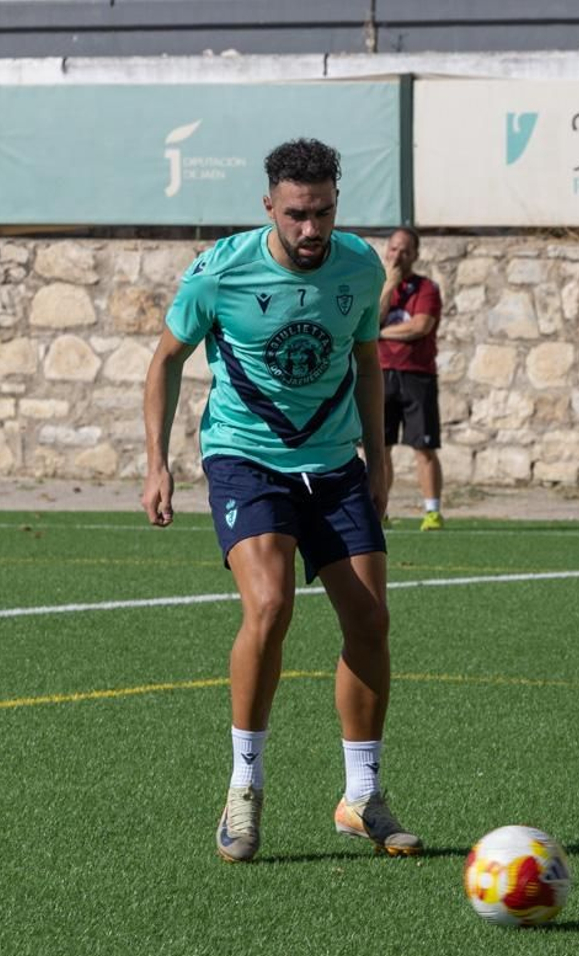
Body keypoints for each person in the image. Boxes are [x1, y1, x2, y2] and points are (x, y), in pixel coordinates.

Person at [141, 138, 421, 863]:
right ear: (270, 206)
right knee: (270, 605)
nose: (311, 230)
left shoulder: (362, 267)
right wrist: (157, 463)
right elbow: (165, 362)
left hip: (332, 465)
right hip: (245, 458)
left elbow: (365, 358)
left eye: (323, 212)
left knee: (370, 618)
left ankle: (360, 796)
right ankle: (244, 789)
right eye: (296, 214)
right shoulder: (221, 272)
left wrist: (379, 461)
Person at [377, 226, 445, 530]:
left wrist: (379, 333)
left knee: (424, 446)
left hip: (417, 375)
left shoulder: (426, 289)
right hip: (378, 373)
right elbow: (369, 319)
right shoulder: (377, 286)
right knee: (378, 447)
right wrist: (388, 287)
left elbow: (419, 327)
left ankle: (432, 511)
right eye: (393, 248)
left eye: (405, 250)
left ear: (415, 255)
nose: (398, 255)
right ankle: (379, 509)